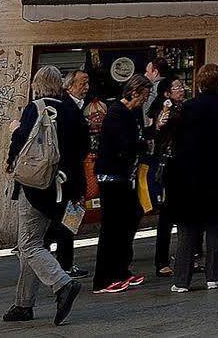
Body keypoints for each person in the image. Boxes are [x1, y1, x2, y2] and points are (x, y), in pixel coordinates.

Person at [2, 66, 84, 325]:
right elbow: (81, 151)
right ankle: (23, 304)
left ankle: (62, 284)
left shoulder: (35, 108)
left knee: (28, 244)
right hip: (63, 189)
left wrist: (14, 131)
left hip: (36, 186)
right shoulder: (72, 110)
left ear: (36, 85)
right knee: (35, 243)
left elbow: (21, 144)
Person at [167, 64, 218, 293]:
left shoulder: (188, 108)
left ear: (199, 83)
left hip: (190, 176)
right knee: (216, 227)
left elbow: (177, 142)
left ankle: (181, 280)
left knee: (188, 229)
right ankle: (213, 276)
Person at [88, 76, 148, 293]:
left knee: (130, 219)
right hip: (113, 178)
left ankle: (121, 270)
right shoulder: (117, 113)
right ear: (134, 92)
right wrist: (141, 144)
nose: (144, 100)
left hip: (124, 177)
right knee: (112, 228)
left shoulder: (129, 114)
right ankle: (103, 278)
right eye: (144, 95)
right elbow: (124, 145)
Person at [43, 70, 88, 274]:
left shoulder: (72, 107)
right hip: (67, 173)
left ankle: (62, 260)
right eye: (82, 83)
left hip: (69, 172)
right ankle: (63, 262)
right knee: (66, 218)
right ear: (69, 86)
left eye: (87, 83)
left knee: (68, 218)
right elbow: (73, 146)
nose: (86, 87)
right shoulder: (67, 108)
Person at [146, 73, 188, 276]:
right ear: (166, 93)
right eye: (177, 87)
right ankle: (161, 260)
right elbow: (158, 128)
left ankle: (188, 256)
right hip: (170, 166)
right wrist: (165, 112)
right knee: (167, 215)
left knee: (186, 215)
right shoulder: (163, 109)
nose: (182, 89)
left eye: (182, 86)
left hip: (185, 165)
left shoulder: (187, 107)